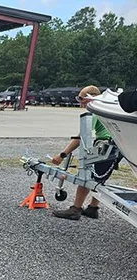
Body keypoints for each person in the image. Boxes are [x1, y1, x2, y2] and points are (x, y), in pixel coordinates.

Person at [51, 85, 121, 221]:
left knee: (87, 176)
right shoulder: (107, 108)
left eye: (82, 99)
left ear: (91, 98)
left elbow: (82, 136)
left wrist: (62, 154)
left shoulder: (95, 111)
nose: (80, 102)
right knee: (100, 178)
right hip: (116, 146)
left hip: (104, 145)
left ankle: (76, 209)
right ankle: (93, 208)